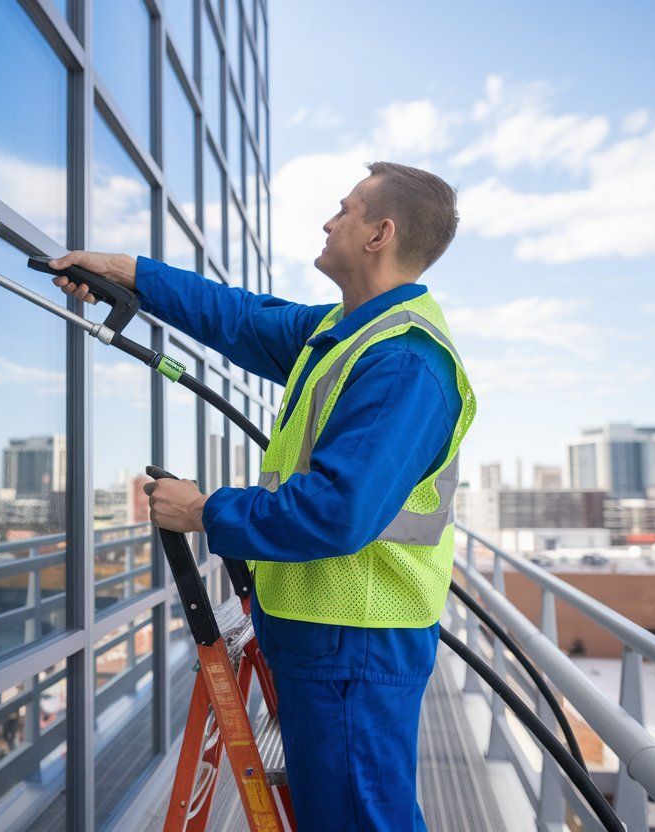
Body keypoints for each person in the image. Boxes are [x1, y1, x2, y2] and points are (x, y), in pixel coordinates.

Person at [49, 162, 476, 831]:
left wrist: (201, 511)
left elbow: (336, 512)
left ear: (379, 234)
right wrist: (128, 274)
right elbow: (242, 318)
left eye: (345, 209)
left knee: (359, 821)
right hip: (328, 639)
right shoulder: (346, 330)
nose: (329, 220)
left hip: (354, 646)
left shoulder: (403, 362)